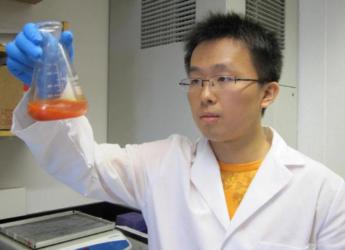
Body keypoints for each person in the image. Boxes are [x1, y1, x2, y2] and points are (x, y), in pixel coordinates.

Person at [6, 13, 345, 250]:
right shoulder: (162, 163)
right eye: (196, 80)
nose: (205, 93)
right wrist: (47, 86)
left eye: (223, 78)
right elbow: (84, 165)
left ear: (268, 92)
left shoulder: (324, 193)